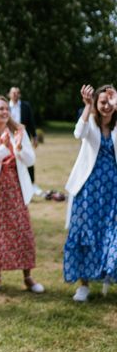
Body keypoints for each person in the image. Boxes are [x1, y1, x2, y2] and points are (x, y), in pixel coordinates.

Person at [0, 96, 44, 293]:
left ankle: (28, 276)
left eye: (7, 109)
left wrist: (19, 147)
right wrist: (2, 148)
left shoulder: (18, 131)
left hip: (16, 189)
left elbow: (30, 161)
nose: (5, 112)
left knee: (23, 232)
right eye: (0, 109)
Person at [63, 84, 117, 302]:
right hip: (88, 189)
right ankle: (83, 285)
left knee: (112, 234)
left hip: (113, 189)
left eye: (109, 102)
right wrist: (87, 107)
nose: (106, 106)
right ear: (96, 103)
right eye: (102, 102)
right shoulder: (91, 122)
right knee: (85, 234)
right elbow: (79, 132)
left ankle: (108, 272)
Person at [8, 87, 37, 183]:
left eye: (17, 93)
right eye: (13, 93)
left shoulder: (25, 106)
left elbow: (31, 122)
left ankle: (31, 181)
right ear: (9, 94)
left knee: (27, 156)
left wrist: (34, 136)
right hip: (10, 136)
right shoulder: (6, 107)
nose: (15, 94)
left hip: (23, 135)